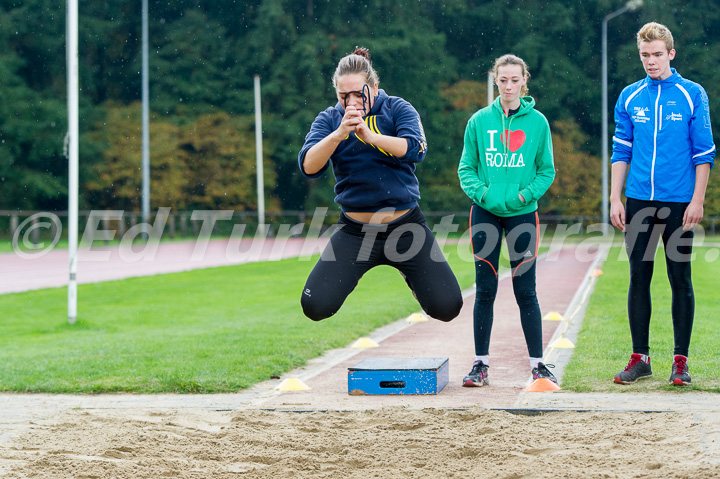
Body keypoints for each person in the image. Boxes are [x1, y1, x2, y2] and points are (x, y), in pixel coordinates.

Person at [298, 47, 463, 324]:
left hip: (405, 226)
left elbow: (416, 149)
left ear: (374, 86)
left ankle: (409, 272)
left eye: (358, 93)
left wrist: (370, 137)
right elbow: (308, 166)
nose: (351, 101)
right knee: (315, 306)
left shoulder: (397, 108)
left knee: (447, 307)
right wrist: (339, 134)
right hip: (355, 231)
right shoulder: (329, 119)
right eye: (343, 95)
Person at [610, 22, 715, 386]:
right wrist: (614, 197)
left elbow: (704, 153)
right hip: (638, 201)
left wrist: (698, 199)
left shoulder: (692, 94)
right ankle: (641, 358)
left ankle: (680, 363)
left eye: (657, 55)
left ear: (671, 53)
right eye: (644, 55)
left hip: (679, 203)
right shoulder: (629, 96)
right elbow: (621, 149)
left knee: (679, 279)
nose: (651, 62)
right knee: (638, 277)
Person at [457, 54, 556, 387]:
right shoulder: (479, 122)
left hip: (523, 215)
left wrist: (523, 197)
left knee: (525, 291)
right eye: (503, 80)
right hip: (484, 212)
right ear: (494, 80)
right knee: (484, 290)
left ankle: (539, 365)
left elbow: (546, 170)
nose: (509, 86)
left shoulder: (538, 123)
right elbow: (466, 169)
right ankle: (480, 365)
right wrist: (484, 195)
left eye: (515, 80)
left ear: (524, 80)